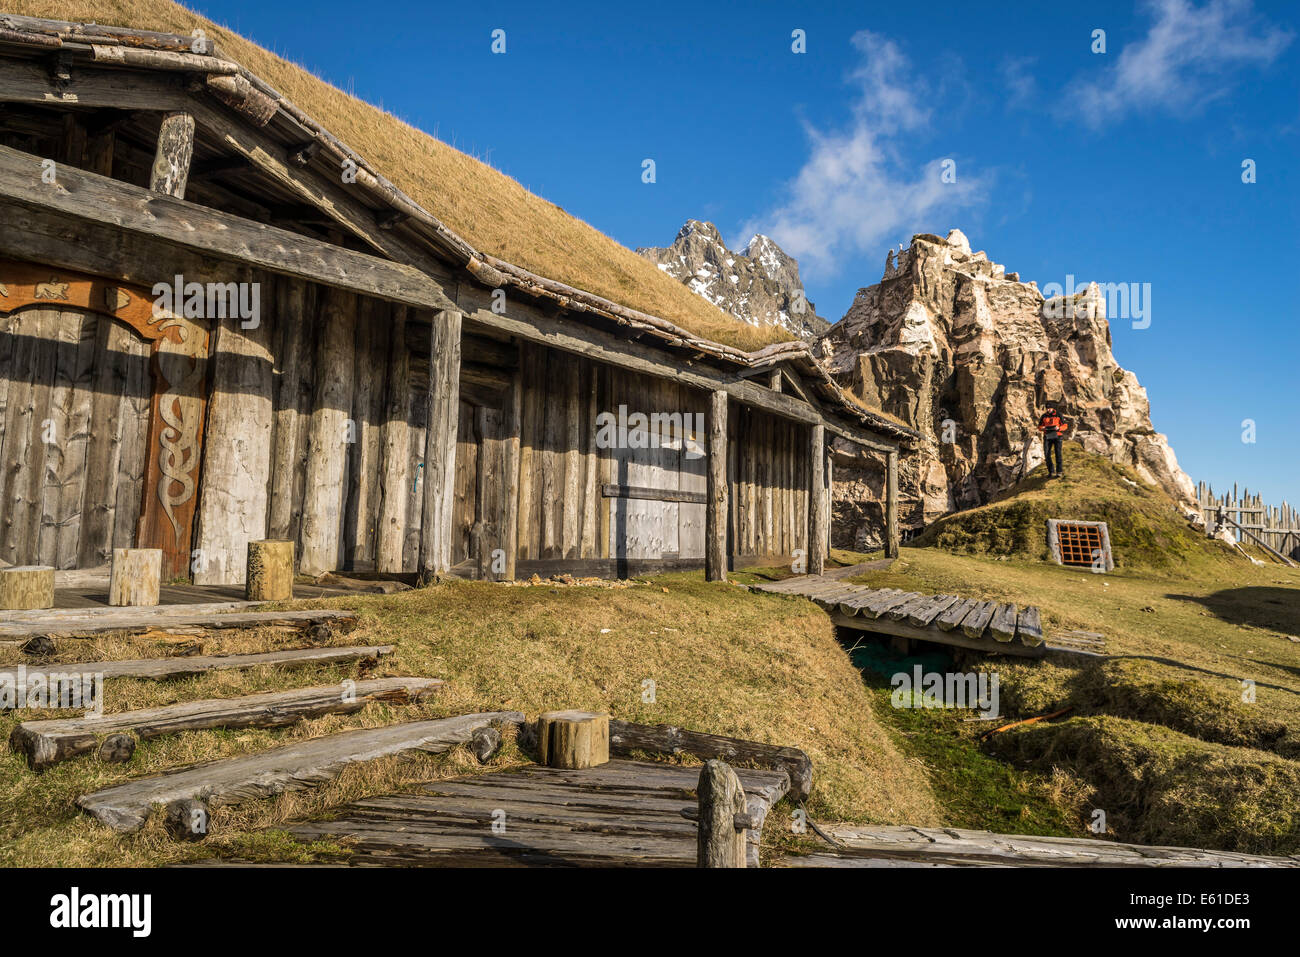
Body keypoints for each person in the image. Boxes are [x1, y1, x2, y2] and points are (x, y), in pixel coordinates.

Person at [1037, 403, 1070, 478]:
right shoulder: (1044, 416)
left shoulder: (1058, 415)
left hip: (1057, 436)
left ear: (1053, 408)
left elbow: (1065, 426)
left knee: (1058, 453)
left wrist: (1058, 428)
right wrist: (1042, 428)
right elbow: (1039, 426)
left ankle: (1059, 472)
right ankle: (1051, 472)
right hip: (1047, 436)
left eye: (1050, 408)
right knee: (1046, 454)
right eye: (1047, 408)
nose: (1048, 410)